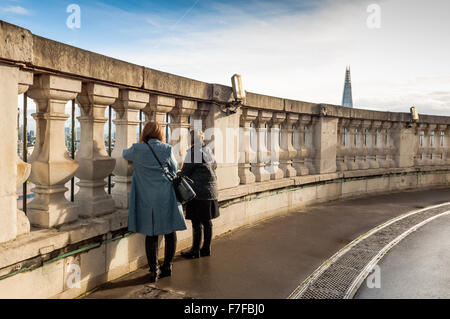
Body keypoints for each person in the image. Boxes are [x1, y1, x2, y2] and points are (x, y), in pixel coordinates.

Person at [123, 121, 187, 282]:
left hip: (146, 197)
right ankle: (167, 266)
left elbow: (124, 154)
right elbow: (174, 168)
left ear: (144, 132)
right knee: (170, 232)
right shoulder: (166, 148)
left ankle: (153, 270)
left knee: (151, 234)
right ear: (160, 133)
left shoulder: (137, 149)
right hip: (165, 196)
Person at [180, 129, 220, 259]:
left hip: (199, 192)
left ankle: (195, 250)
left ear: (191, 139)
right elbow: (215, 167)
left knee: (197, 222)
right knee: (207, 222)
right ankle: (206, 249)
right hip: (211, 190)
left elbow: (184, 172)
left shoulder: (193, 153)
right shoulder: (207, 150)